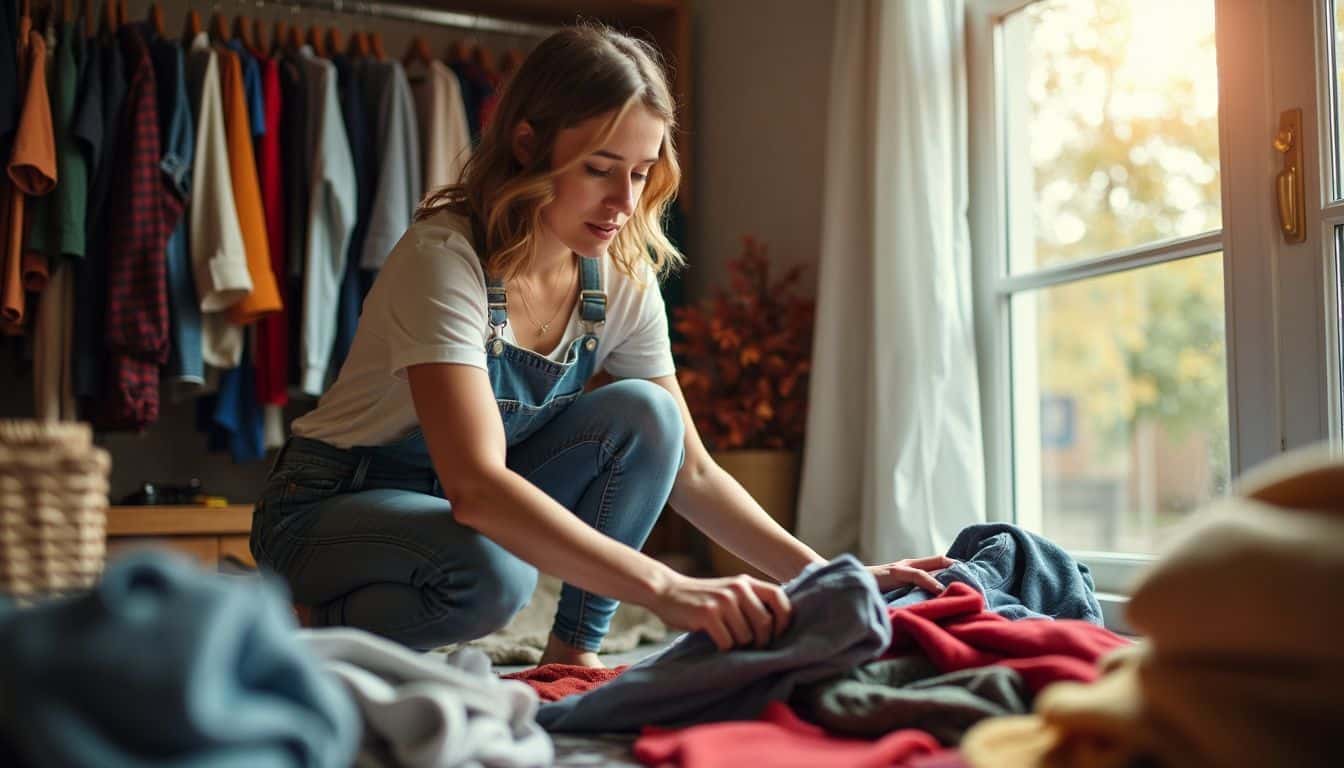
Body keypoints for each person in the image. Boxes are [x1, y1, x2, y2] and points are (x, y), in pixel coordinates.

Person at [249, 23, 952, 667]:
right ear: (528, 144)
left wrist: (825, 576)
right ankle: (292, 628)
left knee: (650, 415)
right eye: (598, 168)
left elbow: (693, 472)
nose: (624, 199)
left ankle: (571, 652)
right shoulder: (443, 262)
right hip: (331, 506)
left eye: (642, 172)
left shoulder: (619, 275)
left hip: (456, 504)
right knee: (492, 576)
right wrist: (669, 590)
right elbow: (477, 487)